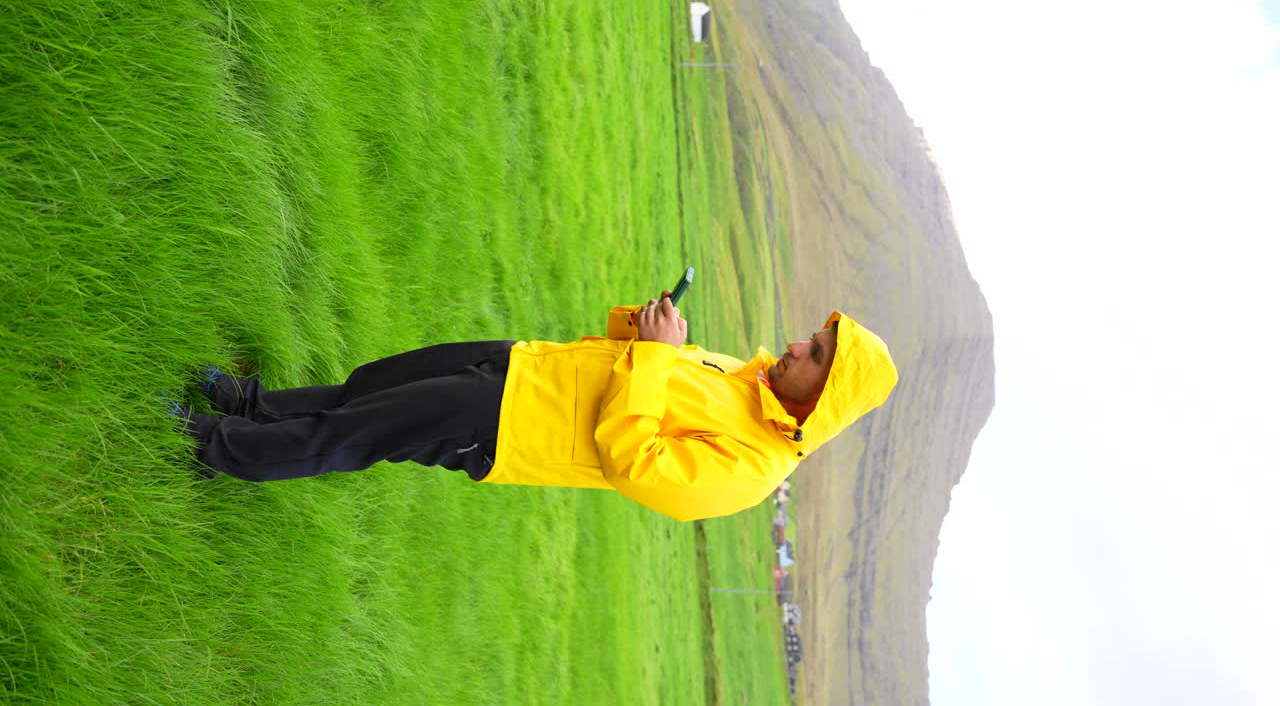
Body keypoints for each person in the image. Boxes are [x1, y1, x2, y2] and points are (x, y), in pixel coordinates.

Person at [177, 291, 898, 521]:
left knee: (357, 433)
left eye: (816, 356)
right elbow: (641, 370)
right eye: (813, 338)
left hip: (508, 425)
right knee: (368, 387)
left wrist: (652, 356)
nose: (798, 347)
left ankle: (208, 448)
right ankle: (253, 406)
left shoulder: (752, 469)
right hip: (522, 364)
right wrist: (647, 329)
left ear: (826, 398)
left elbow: (634, 461)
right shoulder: (753, 380)